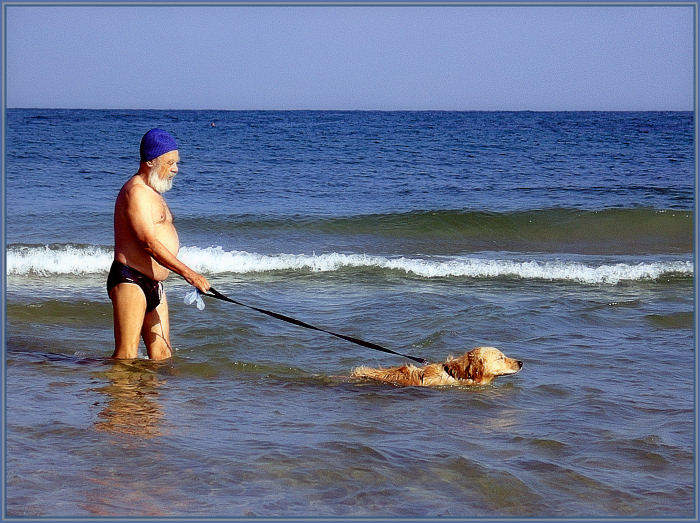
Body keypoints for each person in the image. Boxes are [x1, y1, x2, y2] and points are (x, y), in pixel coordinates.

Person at [107, 128, 210, 360]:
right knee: (126, 357)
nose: (176, 169)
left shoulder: (154, 192)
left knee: (162, 354)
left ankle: (148, 397)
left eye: (176, 162)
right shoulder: (136, 192)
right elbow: (149, 243)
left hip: (154, 283)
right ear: (151, 161)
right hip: (131, 279)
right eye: (170, 162)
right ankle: (117, 395)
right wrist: (190, 275)